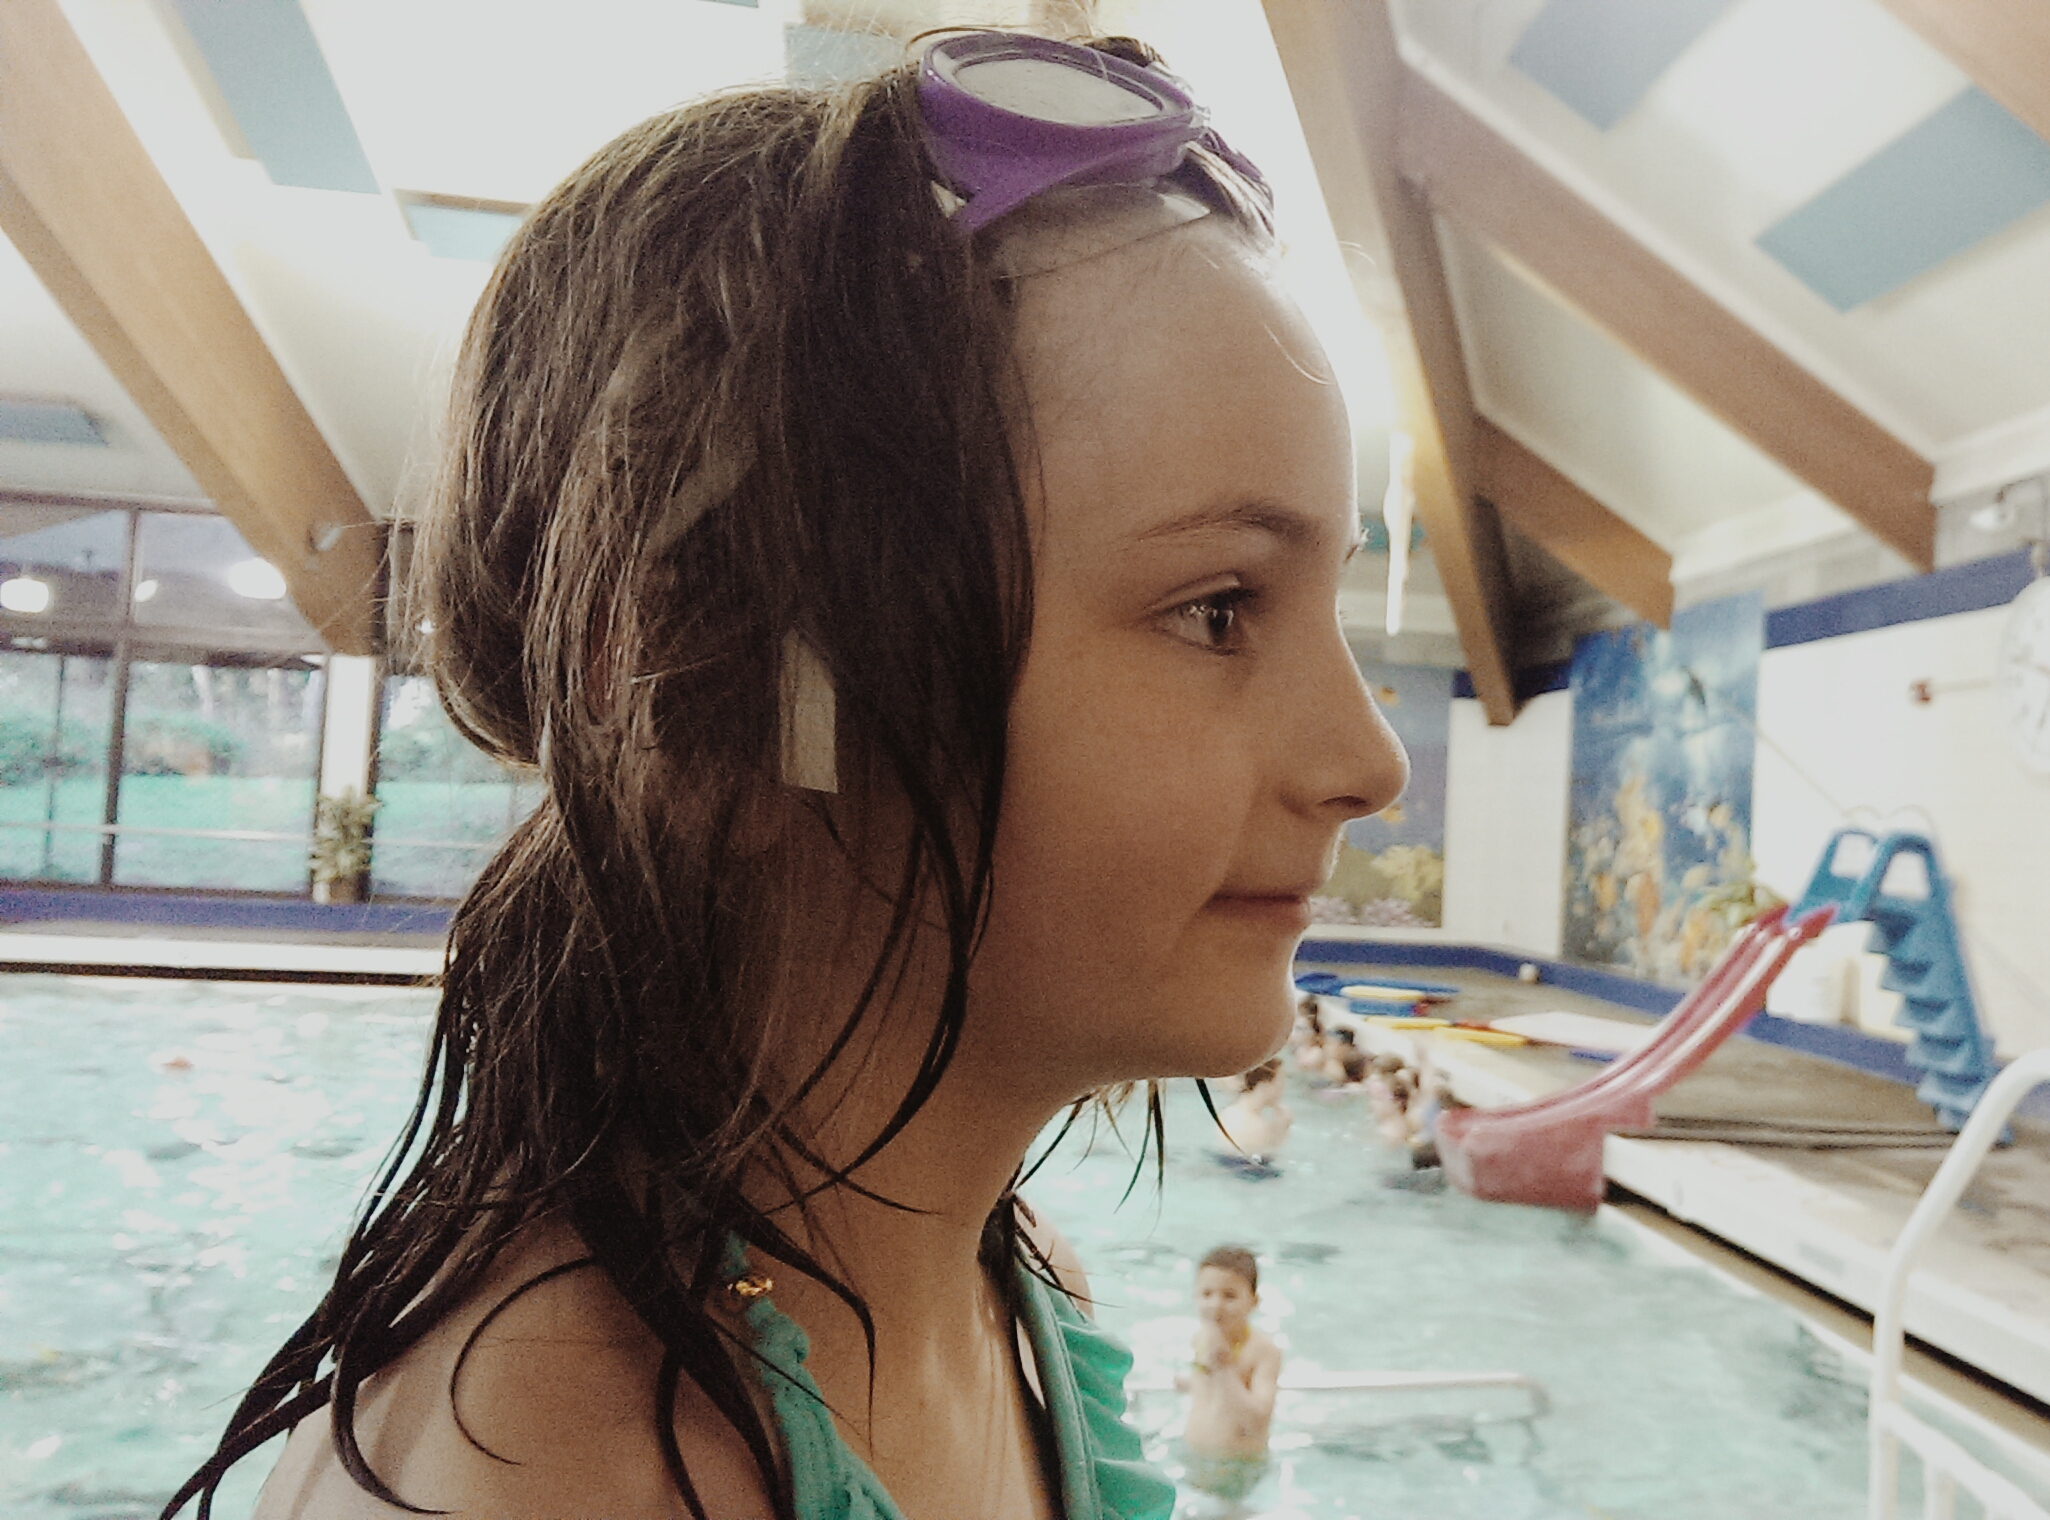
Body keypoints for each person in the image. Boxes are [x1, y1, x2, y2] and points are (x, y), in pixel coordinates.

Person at [167, 29, 1404, 1520]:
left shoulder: (1023, 1305)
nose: (1370, 760)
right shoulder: (561, 1472)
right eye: (1216, 610)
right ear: (712, 688)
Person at [1180, 1245, 1281, 1507]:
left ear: (1254, 1301)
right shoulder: (1201, 1338)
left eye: (1229, 1296)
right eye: (1207, 1294)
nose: (1216, 1305)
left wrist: (1224, 1369)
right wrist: (1190, 1383)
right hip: (1196, 1459)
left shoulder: (1262, 1351)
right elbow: (1209, 1392)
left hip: (1238, 1467)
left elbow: (1258, 1421)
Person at [1216, 1059, 1292, 1159]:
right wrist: (1280, 1133)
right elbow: (1261, 1161)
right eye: (1280, 1082)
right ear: (1265, 1084)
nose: (1283, 1088)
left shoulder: (1227, 1113)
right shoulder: (1256, 1126)